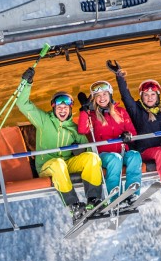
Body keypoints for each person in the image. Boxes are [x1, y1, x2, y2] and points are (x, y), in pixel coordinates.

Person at [15, 66, 104, 225]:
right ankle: (74, 205)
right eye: (59, 107)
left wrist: (81, 150)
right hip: (47, 165)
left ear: (70, 109)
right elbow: (22, 104)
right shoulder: (44, 121)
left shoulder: (74, 129)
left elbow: (88, 151)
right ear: (53, 108)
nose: (62, 110)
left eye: (65, 107)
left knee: (91, 158)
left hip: (67, 165)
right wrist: (26, 83)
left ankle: (94, 199)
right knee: (58, 163)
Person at [109, 62, 161, 206]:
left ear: (158, 95)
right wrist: (120, 76)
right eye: (146, 95)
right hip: (145, 150)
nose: (150, 98)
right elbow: (126, 96)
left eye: (153, 94)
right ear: (141, 96)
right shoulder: (136, 109)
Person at [74, 79, 141, 203]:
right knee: (115, 159)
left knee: (135, 156)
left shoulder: (120, 111)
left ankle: (133, 194)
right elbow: (82, 130)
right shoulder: (91, 115)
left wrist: (128, 135)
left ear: (110, 95)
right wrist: (84, 110)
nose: (102, 98)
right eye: (98, 96)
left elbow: (133, 133)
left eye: (104, 94)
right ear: (94, 99)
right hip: (104, 155)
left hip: (122, 151)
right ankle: (115, 197)